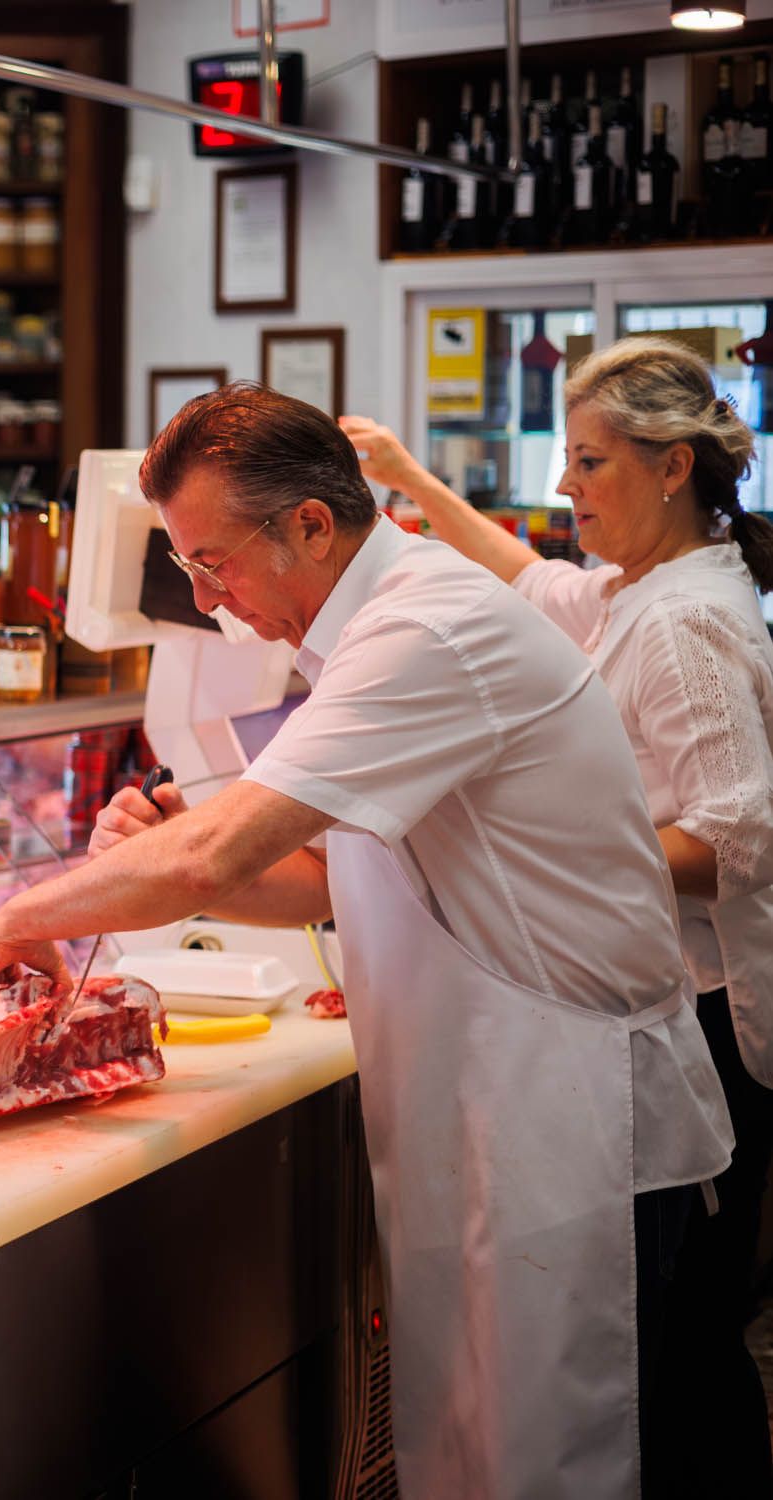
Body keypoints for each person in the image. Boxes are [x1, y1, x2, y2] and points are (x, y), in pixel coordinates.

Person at [0, 384, 733, 1500]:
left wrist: (34, 912)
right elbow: (322, 878)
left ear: (312, 526)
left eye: (214, 564)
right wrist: (180, 859)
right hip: (495, 1119)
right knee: (477, 1463)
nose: (209, 601)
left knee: (559, 1471)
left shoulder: (428, 625)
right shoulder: (380, 621)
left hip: (568, 1124)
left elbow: (213, 860)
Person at [338, 337, 773, 1493]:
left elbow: (735, 835)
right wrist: (412, 484)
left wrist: (559, 858)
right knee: (679, 1346)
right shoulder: (642, 587)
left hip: (718, 1016)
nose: (563, 488)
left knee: (679, 1352)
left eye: (588, 464)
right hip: (678, 999)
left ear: (673, 466)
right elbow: (527, 578)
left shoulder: (683, 625)